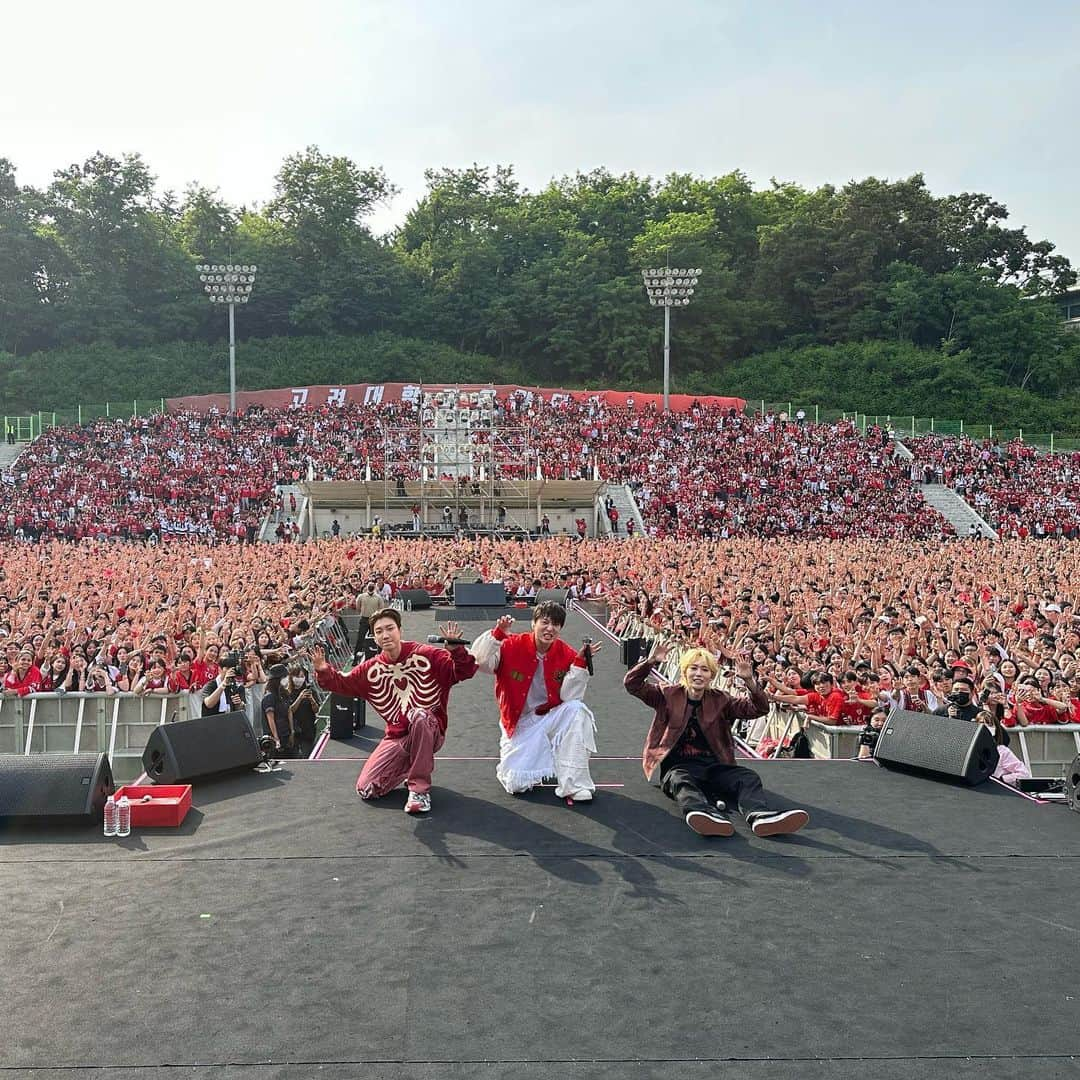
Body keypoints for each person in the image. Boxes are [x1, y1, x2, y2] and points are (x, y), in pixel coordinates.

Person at [624, 640, 809, 837]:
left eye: (704, 670)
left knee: (748, 777)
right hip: (678, 767)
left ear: (711, 675)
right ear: (685, 671)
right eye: (693, 668)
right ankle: (701, 814)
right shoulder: (666, 694)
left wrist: (750, 682)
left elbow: (759, 709)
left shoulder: (722, 699)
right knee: (681, 782)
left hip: (715, 767)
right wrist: (651, 661)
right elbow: (632, 684)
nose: (698, 674)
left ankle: (759, 816)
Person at [311, 608, 477, 814]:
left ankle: (419, 789)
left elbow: (463, 671)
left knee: (419, 715)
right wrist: (323, 669)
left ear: (400, 630)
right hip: (398, 736)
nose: (385, 634)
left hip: (430, 728)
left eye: (390, 628)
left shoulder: (428, 655)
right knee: (367, 789)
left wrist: (456, 651)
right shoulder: (370, 669)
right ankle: (411, 765)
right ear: (374, 636)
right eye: (379, 631)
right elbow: (342, 683)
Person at [470, 602, 600, 802]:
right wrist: (497, 636)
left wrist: (580, 664)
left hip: (548, 716)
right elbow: (480, 662)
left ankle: (574, 784)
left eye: (555, 624)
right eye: (545, 622)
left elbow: (569, 696)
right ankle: (538, 758)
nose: (550, 628)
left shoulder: (567, 653)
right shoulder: (510, 645)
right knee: (515, 783)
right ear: (533, 623)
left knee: (577, 710)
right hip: (518, 722)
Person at [286, 663, 319, 758]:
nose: (300, 679)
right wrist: (299, 698)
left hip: (308, 729)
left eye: (302, 676)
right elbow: (290, 710)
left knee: (307, 754)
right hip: (294, 730)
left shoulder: (310, 691)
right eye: (297, 676)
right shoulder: (287, 693)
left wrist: (312, 700)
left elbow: (316, 710)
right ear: (291, 677)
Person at [259, 663, 292, 752]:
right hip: (275, 737)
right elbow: (271, 720)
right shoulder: (269, 697)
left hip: (285, 733)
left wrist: (292, 731)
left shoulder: (283, 694)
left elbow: (289, 711)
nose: (286, 679)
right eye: (284, 676)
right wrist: (276, 739)